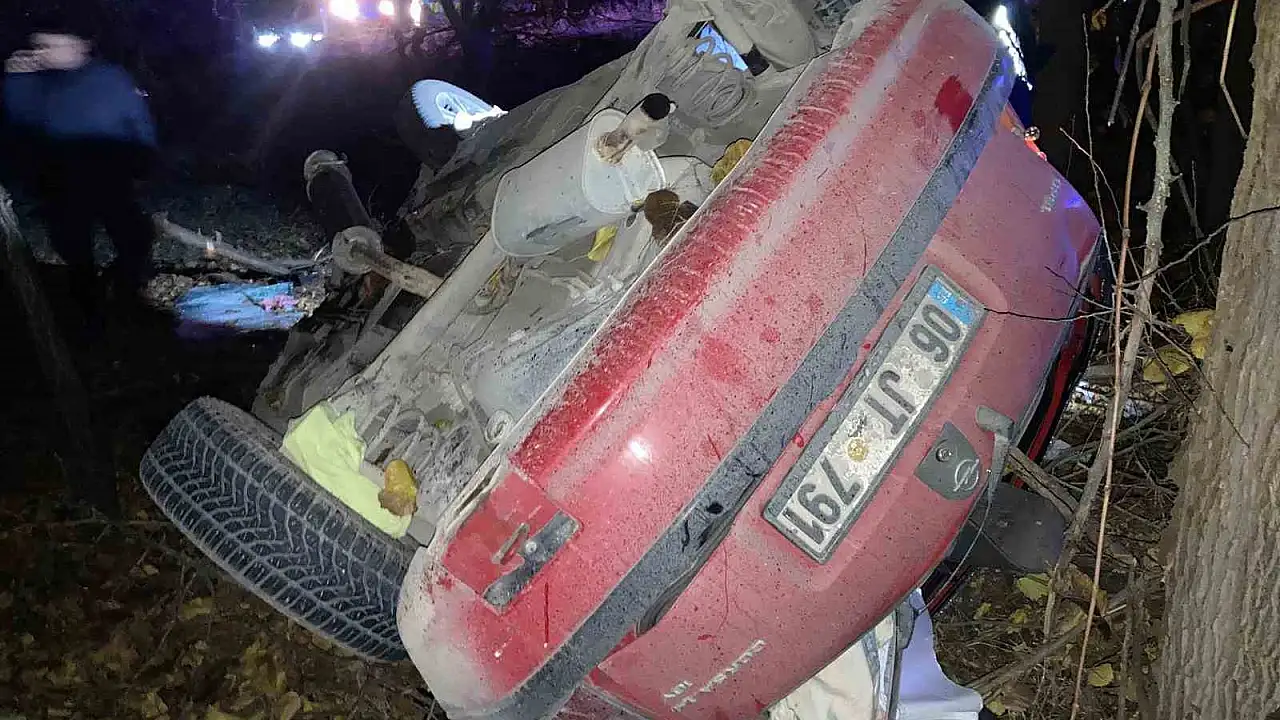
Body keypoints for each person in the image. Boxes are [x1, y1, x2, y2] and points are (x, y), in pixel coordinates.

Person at [2, 16, 157, 325]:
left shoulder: (110, 77)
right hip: (61, 179)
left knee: (134, 239)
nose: (45, 53)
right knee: (74, 248)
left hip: (111, 175)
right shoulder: (37, 83)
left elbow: (137, 118)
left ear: (80, 46)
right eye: (40, 46)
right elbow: (20, 120)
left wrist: (145, 158)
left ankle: (128, 294)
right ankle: (87, 311)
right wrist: (16, 80)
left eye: (53, 45)